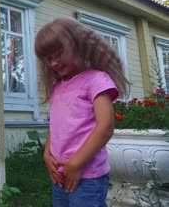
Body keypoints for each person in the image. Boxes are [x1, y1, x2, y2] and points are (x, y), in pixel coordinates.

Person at [34, 17, 130, 207]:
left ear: (78, 46)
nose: (52, 63)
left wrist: (76, 163)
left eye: (57, 55)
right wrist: (47, 154)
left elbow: (105, 127)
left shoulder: (96, 80)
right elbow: (56, 125)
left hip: (87, 176)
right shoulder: (58, 87)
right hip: (60, 174)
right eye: (47, 59)